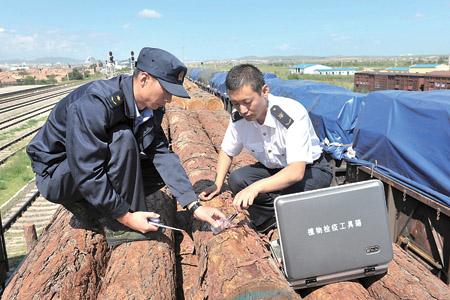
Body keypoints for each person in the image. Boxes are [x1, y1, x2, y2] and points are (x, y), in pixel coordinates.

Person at [27, 47, 225, 246]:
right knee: (122, 138)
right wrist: (126, 217)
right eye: (166, 90)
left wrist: (194, 205)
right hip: (57, 174)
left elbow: (161, 153)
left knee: (158, 171)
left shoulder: (150, 108)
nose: (169, 99)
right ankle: (120, 226)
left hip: (87, 166)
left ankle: (103, 207)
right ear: (144, 79)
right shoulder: (96, 104)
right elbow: (86, 168)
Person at [199, 64, 332, 232]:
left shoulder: (290, 113)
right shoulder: (239, 119)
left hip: (309, 171)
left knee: (295, 193)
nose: (243, 110)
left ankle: (290, 220)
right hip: (273, 170)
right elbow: (227, 150)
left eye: (247, 102)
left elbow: (296, 171)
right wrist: (217, 184)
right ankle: (269, 223)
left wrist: (256, 187)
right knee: (237, 179)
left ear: (265, 91)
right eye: (235, 104)